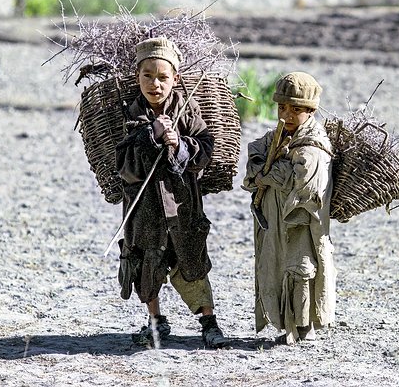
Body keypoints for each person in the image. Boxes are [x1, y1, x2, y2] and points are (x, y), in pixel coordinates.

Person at [114, 36, 228, 349]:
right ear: (137, 77)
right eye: (147, 76)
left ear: (175, 79)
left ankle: (209, 323)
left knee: (192, 261)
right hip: (145, 210)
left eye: (163, 77)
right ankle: (155, 322)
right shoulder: (130, 114)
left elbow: (205, 149)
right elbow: (124, 165)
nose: (155, 84)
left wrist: (179, 144)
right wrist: (150, 135)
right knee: (146, 265)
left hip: (182, 206)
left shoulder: (187, 111)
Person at [242, 71, 336, 345]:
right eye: (282, 108)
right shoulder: (277, 137)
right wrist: (263, 170)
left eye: (296, 109)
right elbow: (255, 156)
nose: (287, 115)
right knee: (278, 267)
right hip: (276, 220)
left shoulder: (315, 146)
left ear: (310, 110)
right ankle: (286, 327)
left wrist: (267, 174)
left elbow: (303, 182)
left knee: (301, 270)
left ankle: (304, 328)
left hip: (302, 223)